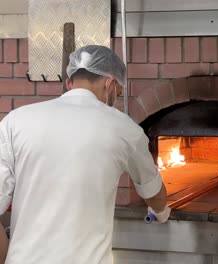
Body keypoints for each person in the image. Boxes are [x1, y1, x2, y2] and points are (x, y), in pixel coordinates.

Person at [0, 45, 170, 263]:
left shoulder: (16, 120)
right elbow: (154, 193)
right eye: (117, 93)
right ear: (110, 83)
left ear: (69, 82)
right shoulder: (124, 128)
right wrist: (161, 212)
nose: (115, 99)